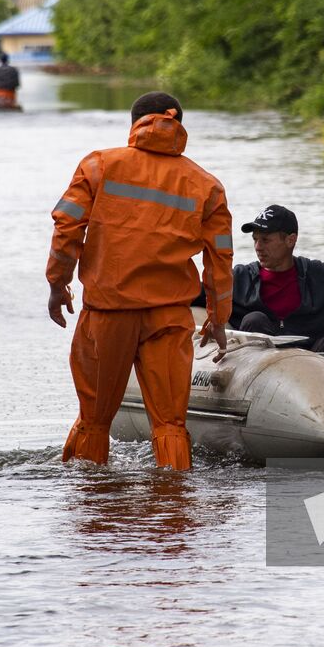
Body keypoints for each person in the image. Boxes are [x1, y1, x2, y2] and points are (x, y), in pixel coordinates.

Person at [47, 92, 234, 471]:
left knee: (95, 422)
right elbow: (220, 259)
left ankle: (93, 504)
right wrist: (217, 317)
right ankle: (175, 513)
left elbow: (66, 228)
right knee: (170, 425)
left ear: (133, 124)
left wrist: (58, 284)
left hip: (107, 313)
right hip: (168, 318)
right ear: (180, 123)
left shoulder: (99, 165)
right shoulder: (206, 185)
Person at [214, 204, 324, 355]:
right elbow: (196, 292)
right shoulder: (239, 278)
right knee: (254, 319)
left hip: (319, 360)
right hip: (264, 369)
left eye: (265, 240)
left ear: (290, 240)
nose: (258, 247)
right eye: (255, 240)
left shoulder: (319, 274)